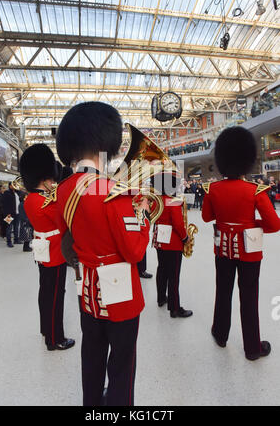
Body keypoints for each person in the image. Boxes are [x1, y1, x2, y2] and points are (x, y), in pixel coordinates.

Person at [56, 101, 150, 406]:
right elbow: (134, 251)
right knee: (122, 367)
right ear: (104, 146)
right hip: (120, 295)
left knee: (92, 359)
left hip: (88, 291)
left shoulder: (64, 189)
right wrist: (144, 216)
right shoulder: (112, 192)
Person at [202, 126, 280, 361]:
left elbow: (206, 217)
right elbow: (274, 224)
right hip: (249, 253)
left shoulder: (212, 189)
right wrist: (250, 224)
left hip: (222, 250)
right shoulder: (255, 190)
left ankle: (220, 333)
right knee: (249, 297)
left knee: (223, 292)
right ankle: (252, 348)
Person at [20, 144, 75, 352]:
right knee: (55, 296)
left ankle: (46, 328)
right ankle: (55, 338)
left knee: (45, 292)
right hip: (55, 252)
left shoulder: (31, 199)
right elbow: (66, 221)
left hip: (43, 251)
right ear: (44, 177)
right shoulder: (47, 202)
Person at [152, 175, 193, 318]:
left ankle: (161, 298)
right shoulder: (172, 201)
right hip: (173, 242)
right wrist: (185, 237)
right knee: (174, 275)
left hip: (159, 240)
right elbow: (177, 223)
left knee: (161, 269)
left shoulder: (156, 201)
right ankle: (175, 308)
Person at [2, 182, 21, 247]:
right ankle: (9, 242)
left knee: (16, 228)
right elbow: (4, 204)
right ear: (10, 186)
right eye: (14, 185)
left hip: (17, 213)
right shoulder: (6, 193)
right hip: (9, 214)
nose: (15, 186)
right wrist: (7, 213)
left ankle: (16, 240)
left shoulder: (17, 193)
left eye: (15, 185)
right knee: (9, 228)